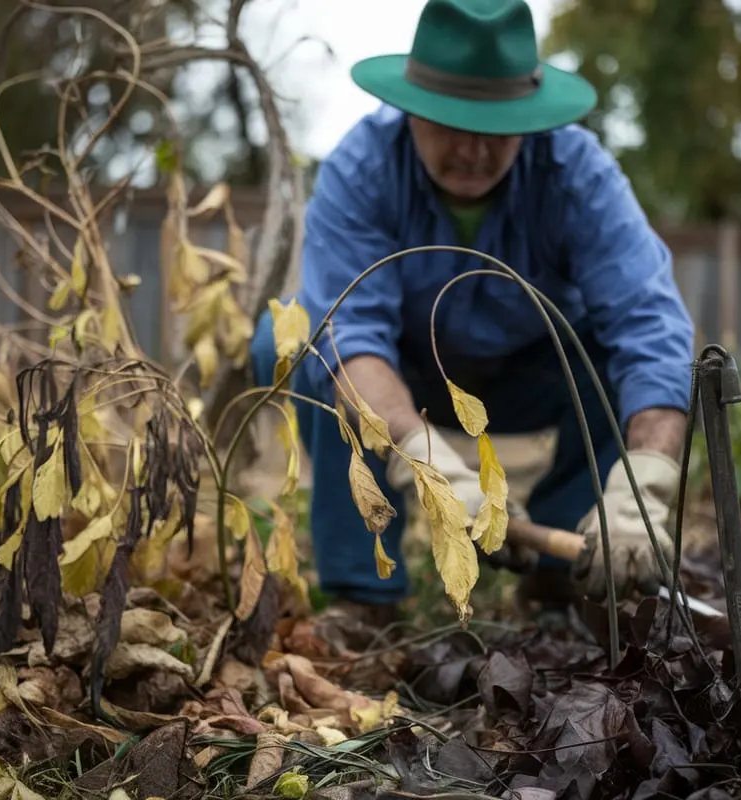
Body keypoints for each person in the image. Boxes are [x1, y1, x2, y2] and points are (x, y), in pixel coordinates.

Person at [249, 0, 695, 627]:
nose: (473, 150)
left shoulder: (578, 173)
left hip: (531, 377)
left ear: (530, 120)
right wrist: (427, 466)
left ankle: (566, 570)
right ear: (411, 110)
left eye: (496, 127)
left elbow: (652, 326)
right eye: (450, 123)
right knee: (298, 339)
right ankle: (363, 595)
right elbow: (352, 338)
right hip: (406, 377)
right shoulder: (362, 168)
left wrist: (645, 481)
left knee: (615, 349)